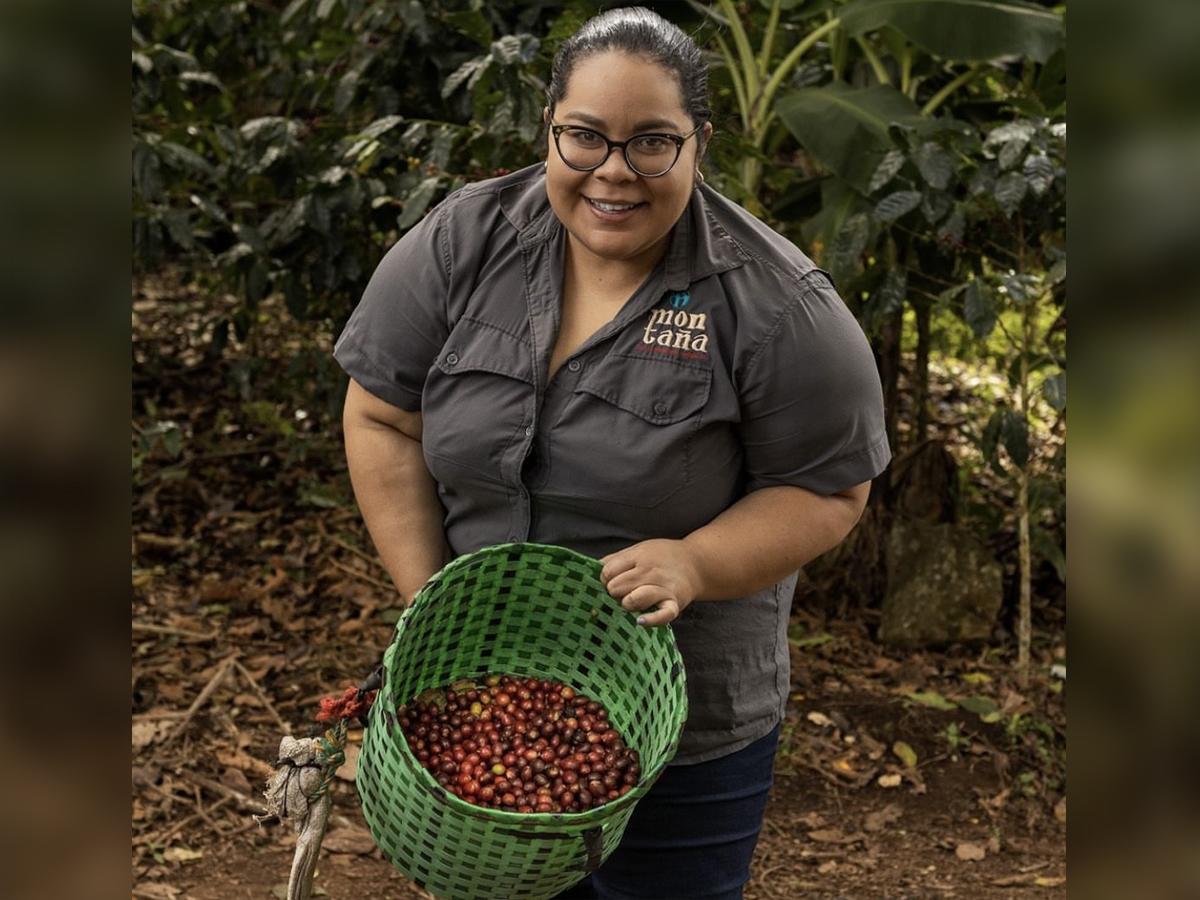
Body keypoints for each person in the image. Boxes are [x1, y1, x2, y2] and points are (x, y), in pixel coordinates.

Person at [334, 7, 890, 898]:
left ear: (699, 142)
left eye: (652, 144)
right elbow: (382, 419)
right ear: (549, 127)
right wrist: (431, 603)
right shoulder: (462, 242)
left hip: (682, 723)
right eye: (584, 137)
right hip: (483, 690)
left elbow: (831, 489)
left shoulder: (778, 304)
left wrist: (696, 562)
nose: (614, 173)